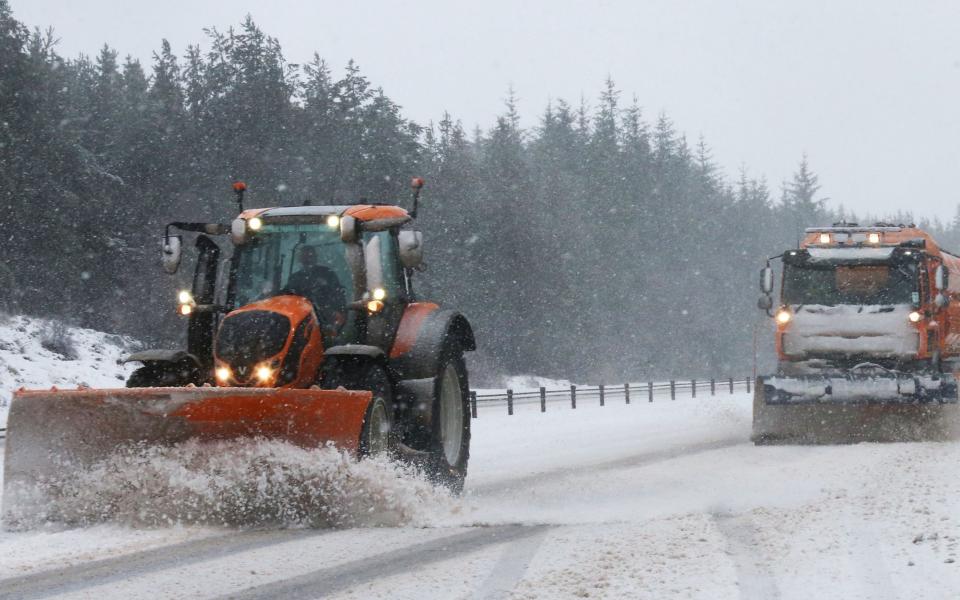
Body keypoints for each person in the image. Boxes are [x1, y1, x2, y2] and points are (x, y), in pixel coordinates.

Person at [285, 246, 347, 330]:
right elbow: (286, 296)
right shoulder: (295, 278)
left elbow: (338, 294)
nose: (307, 260)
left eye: (310, 256)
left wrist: (338, 312)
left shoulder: (327, 274)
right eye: (304, 257)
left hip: (324, 318)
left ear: (315, 257)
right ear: (300, 259)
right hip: (299, 319)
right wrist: (270, 293)